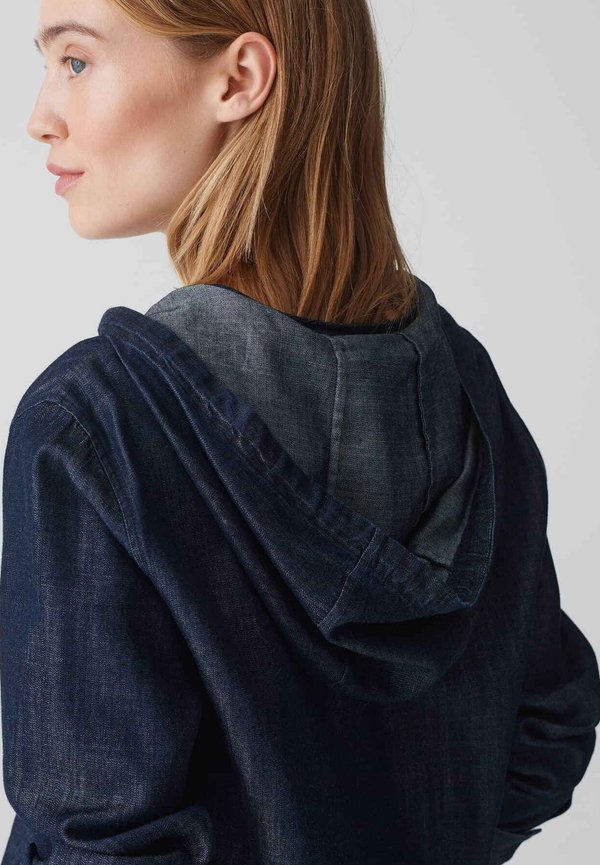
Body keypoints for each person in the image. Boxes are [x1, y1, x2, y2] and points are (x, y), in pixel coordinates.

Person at [2, 2, 599, 864]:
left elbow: (98, 845)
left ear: (239, 79)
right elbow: (548, 726)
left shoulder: (95, 428)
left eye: (76, 61)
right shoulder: (465, 389)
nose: (39, 117)